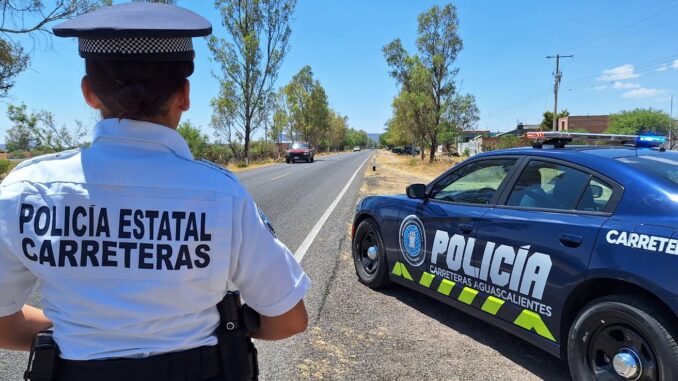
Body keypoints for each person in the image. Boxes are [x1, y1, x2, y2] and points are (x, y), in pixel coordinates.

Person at [0, 3, 310, 380]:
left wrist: (80, 333)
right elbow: (289, 318)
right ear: (184, 94)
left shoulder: (24, 190)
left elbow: (4, 324)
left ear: (89, 93)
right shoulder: (222, 194)